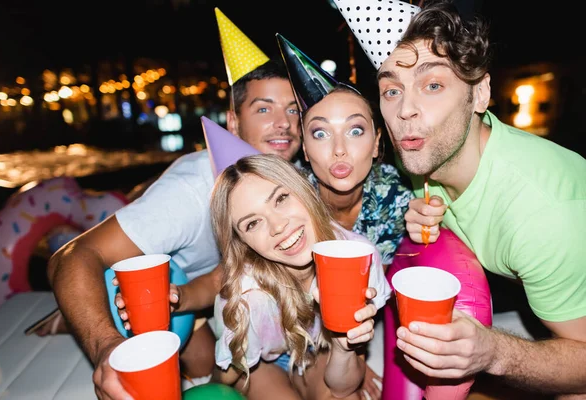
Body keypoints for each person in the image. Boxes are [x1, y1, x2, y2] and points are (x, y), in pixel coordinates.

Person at [46, 9, 302, 400]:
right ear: (232, 122)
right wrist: (105, 345)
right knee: (195, 362)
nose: (283, 123)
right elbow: (73, 255)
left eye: (293, 110)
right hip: (175, 297)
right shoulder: (187, 194)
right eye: (264, 109)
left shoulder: (299, 172)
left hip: (232, 296)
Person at [342, 0, 586, 397]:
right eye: (391, 89)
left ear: (480, 93)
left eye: (433, 85)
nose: (406, 110)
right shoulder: (424, 159)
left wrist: (494, 353)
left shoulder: (542, 213)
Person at [276, 33, 413, 399]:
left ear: (378, 142)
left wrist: (429, 225)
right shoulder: (285, 201)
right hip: (290, 333)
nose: (339, 150)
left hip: (360, 333)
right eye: (321, 133)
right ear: (304, 147)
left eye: (355, 130)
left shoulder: (400, 196)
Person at [208, 153, 390, 399]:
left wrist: (345, 350)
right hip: (261, 364)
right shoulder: (247, 296)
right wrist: (208, 388)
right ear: (243, 243)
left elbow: (343, 388)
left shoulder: (358, 259)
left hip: (318, 350)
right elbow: (226, 375)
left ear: (304, 190)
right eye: (252, 223)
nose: (278, 226)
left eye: (281, 198)